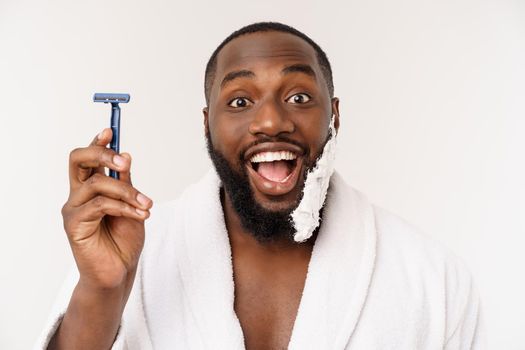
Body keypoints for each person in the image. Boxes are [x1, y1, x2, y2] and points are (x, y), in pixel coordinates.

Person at [37, 22, 484, 349]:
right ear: (207, 124)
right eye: (240, 101)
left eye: (299, 97)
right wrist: (103, 290)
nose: (270, 121)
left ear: (335, 115)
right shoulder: (137, 254)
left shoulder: (431, 279)